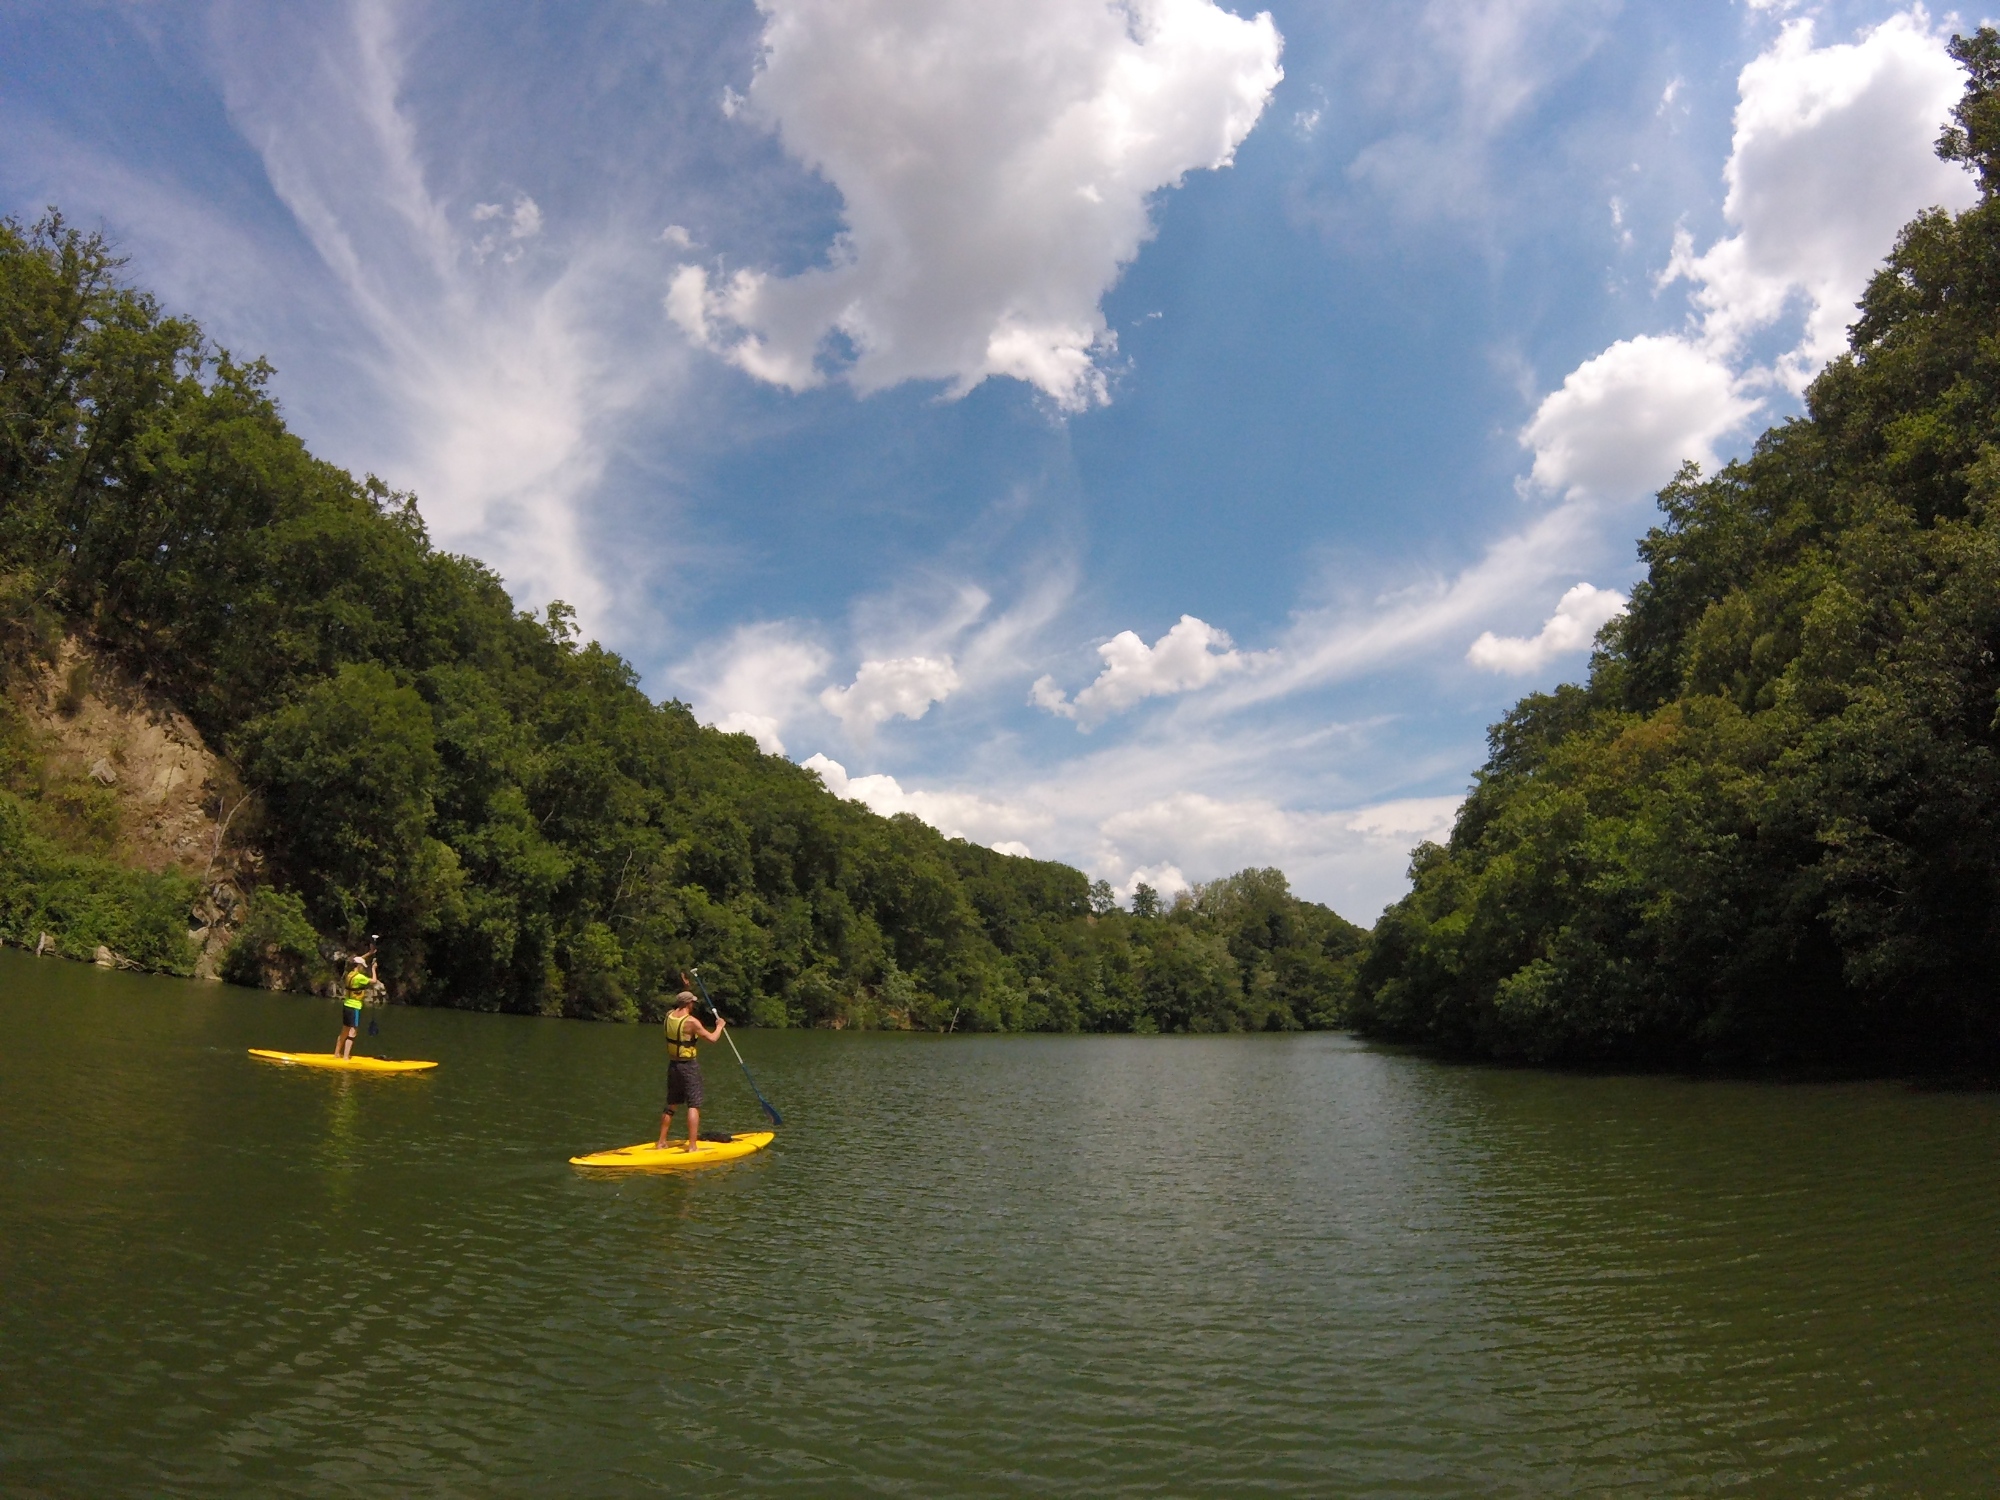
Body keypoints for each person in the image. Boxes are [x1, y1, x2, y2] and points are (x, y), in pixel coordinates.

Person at [657, 985, 726, 1151]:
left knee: (671, 1104)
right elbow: (712, 1039)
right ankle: (692, 1146)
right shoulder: (692, 1022)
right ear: (688, 1004)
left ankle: (661, 1142)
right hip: (688, 1066)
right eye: (692, 1003)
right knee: (694, 1105)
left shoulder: (668, 1016)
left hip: (673, 1065)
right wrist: (720, 1026)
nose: (693, 1005)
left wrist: (686, 986)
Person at [335, 948, 377, 1059]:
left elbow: (358, 960)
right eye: (363, 966)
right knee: (353, 1032)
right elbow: (374, 981)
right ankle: (345, 1057)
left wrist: (370, 953)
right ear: (359, 966)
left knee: (344, 1030)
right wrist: (373, 969)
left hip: (346, 1005)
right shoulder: (359, 978)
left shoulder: (350, 974)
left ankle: (336, 1054)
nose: (363, 968)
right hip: (355, 1007)